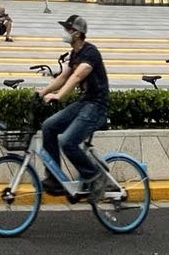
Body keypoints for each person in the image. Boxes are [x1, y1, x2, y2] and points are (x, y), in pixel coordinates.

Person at [38, 15, 118, 202]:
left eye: (67, 29)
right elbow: (64, 76)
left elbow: (77, 77)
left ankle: (96, 177)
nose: (64, 33)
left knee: (67, 142)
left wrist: (59, 95)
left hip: (97, 105)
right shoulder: (75, 54)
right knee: (49, 126)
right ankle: (54, 178)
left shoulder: (90, 53)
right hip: (84, 102)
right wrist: (42, 92)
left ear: (77, 32)